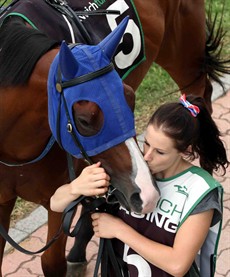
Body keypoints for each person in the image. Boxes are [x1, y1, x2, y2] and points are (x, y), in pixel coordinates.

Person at [50, 94, 229, 277]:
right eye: (146, 144)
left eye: (160, 152)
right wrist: (76, 187)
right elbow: (55, 204)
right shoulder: (129, 173)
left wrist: (119, 229)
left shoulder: (200, 191)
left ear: (186, 151)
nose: (147, 156)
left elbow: (177, 264)